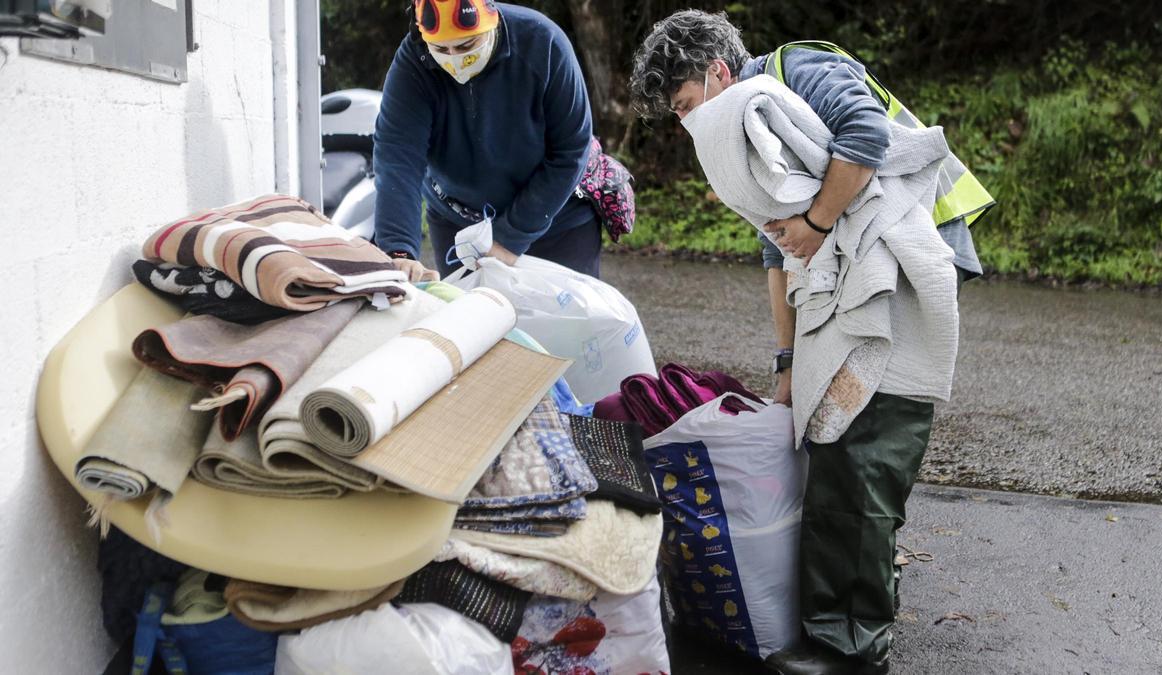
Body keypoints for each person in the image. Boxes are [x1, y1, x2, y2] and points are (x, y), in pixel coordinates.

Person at [630, 11, 986, 675]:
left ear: (718, 72)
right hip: (868, 262)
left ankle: (851, 647)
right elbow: (777, 252)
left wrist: (817, 223)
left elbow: (865, 133)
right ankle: (863, 594)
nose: (685, 123)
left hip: (912, 255)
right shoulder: (752, 133)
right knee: (834, 431)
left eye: (683, 104)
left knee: (865, 446)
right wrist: (790, 366)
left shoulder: (796, 73)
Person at [373, 0, 602, 281]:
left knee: (567, 322)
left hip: (557, 217)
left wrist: (509, 238)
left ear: (491, 20)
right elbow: (397, 156)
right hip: (459, 219)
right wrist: (399, 252)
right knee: (470, 320)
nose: (455, 58)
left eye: (468, 46)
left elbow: (571, 150)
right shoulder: (413, 61)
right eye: (442, 50)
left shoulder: (543, 42)